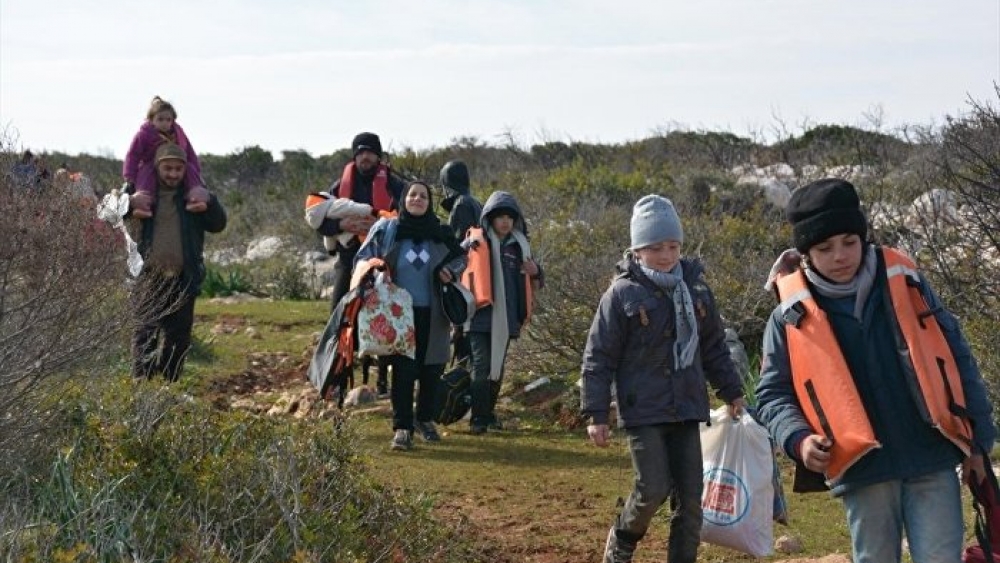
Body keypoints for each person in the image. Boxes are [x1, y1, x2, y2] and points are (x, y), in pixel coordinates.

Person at [754, 178, 996, 563]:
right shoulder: (788, 316)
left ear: (863, 236)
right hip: (861, 471)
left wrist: (978, 444)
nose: (840, 256)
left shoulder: (910, 284)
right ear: (805, 253)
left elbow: (957, 357)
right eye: (825, 247)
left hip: (930, 456)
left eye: (850, 242)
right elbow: (771, 395)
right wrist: (797, 439)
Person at [580, 194, 746, 563]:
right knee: (652, 487)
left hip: (687, 406)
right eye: (655, 247)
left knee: (691, 499)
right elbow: (599, 356)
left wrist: (732, 391)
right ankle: (623, 538)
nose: (666, 255)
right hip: (643, 411)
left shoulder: (698, 289)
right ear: (638, 249)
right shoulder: (622, 293)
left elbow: (714, 347)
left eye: (672, 246)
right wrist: (596, 414)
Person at [355, 181, 466, 450]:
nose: (417, 199)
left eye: (423, 196)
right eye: (412, 195)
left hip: (435, 313)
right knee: (404, 372)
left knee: (432, 370)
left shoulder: (440, 232)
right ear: (403, 199)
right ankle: (402, 428)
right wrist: (375, 266)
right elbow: (363, 256)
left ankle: (424, 418)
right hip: (398, 314)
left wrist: (449, 272)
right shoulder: (388, 230)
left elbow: (461, 258)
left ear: (429, 202)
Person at [308, 132, 406, 397]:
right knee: (339, 317)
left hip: (383, 263)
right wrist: (341, 224)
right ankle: (337, 378)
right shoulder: (338, 187)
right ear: (354, 156)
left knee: (388, 317)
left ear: (379, 156)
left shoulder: (395, 185)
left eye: (371, 152)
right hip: (348, 260)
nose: (365, 156)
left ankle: (386, 383)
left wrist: (380, 225)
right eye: (361, 152)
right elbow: (317, 220)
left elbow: (410, 216)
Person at [127, 143, 226, 382]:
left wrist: (210, 200)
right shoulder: (141, 194)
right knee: (145, 334)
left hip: (183, 278)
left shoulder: (194, 195)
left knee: (179, 338)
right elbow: (108, 212)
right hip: (148, 277)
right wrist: (129, 202)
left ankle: (170, 385)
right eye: (167, 168)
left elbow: (218, 224)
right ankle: (142, 384)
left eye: (178, 169)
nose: (173, 174)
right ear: (157, 167)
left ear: (185, 170)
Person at [460, 191, 543, 434]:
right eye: (500, 217)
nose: (505, 222)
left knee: (497, 368)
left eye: (509, 217)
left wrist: (536, 270)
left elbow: (537, 277)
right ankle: (478, 418)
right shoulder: (475, 242)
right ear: (490, 218)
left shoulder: (519, 247)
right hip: (478, 317)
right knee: (482, 366)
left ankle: (488, 415)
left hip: (507, 319)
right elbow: (456, 264)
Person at [123, 96, 208, 219]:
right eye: (160, 119)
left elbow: (189, 151)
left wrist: (196, 170)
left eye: (168, 120)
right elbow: (133, 154)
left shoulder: (178, 132)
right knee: (146, 174)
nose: (165, 123)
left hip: (178, 162)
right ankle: (143, 206)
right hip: (151, 163)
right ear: (151, 119)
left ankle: (195, 200)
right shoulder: (144, 134)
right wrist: (129, 176)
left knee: (189, 169)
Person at [438, 159, 484, 364]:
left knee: (464, 332)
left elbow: (459, 248)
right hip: (477, 276)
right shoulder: (474, 202)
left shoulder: (462, 205)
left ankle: (463, 379)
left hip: (466, 278)